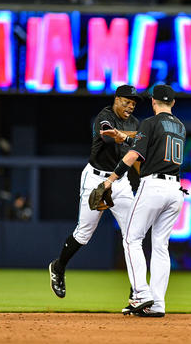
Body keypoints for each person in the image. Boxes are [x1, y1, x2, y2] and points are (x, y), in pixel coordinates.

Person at [48, 85, 142, 298]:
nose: (130, 106)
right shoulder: (104, 115)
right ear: (117, 99)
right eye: (127, 102)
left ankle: (137, 290)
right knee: (84, 233)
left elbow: (134, 152)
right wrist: (133, 136)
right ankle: (58, 267)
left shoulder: (134, 123)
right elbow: (109, 136)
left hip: (120, 180)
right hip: (96, 180)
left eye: (134, 104)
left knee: (133, 236)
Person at [101, 84, 187, 317]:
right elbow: (151, 147)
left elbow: (133, 156)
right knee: (160, 246)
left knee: (131, 239)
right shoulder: (180, 127)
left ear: (152, 102)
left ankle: (141, 293)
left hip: (154, 186)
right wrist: (128, 139)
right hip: (176, 189)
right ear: (173, 103)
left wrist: (110, 180)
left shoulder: (149, 123)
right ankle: (158, 304)